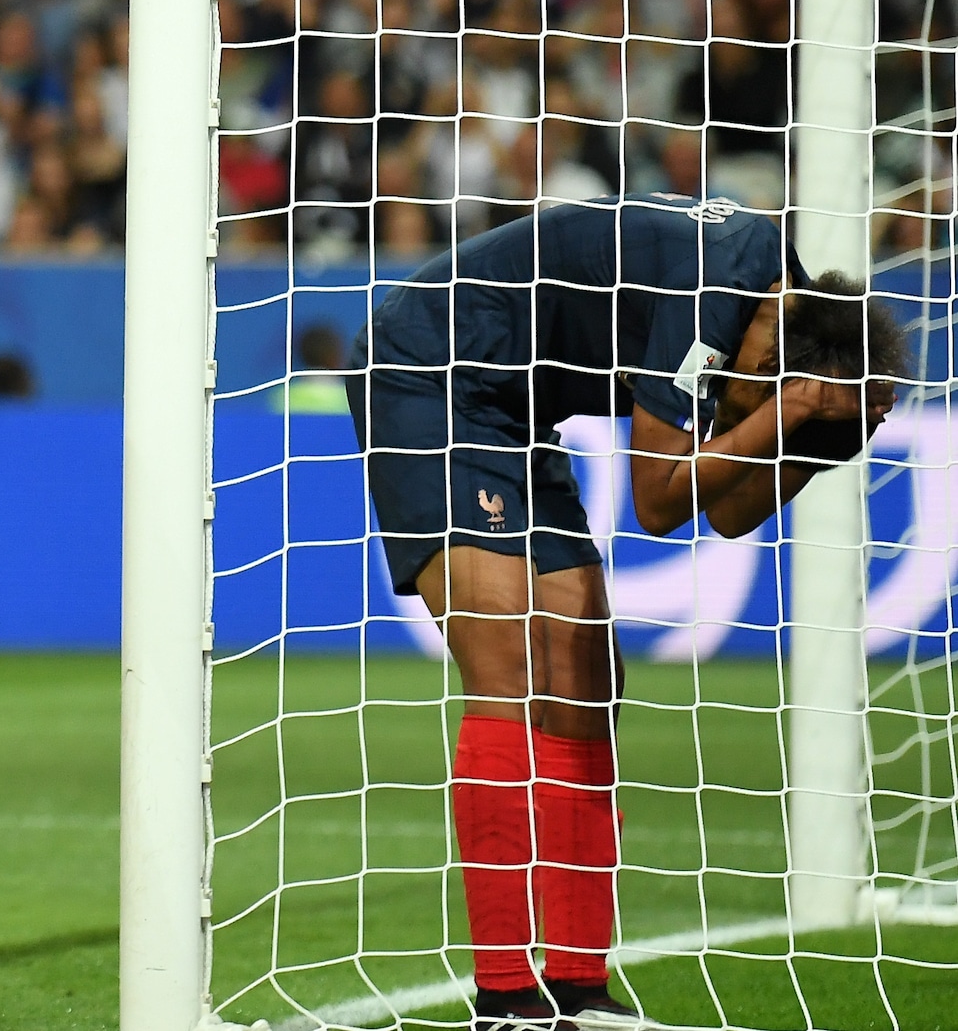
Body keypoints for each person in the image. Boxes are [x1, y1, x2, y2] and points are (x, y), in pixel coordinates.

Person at [348, 193, 903, 1031]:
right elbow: (658, 499)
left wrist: (816, 446)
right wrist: (784, 416)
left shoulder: (773, 314)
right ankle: (505, 998)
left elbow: (726, 509)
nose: (743, 411)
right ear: (778, 366)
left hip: (516, 408)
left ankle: (579, 990)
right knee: (512, 660)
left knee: (584, 683)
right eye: (764, 399)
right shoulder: (716, 296)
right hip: (433, 366)